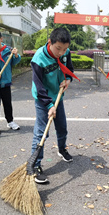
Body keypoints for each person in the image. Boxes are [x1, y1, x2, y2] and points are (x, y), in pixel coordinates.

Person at [30, 28, 80, 184]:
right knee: (41, 132)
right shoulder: (38, 59)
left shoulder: (66, 52)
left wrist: (68, 81)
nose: (61, 52)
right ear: (50, 42)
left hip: (58, 96)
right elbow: (38, 87)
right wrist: (49, 105)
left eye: (64, 49)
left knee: (62, 126)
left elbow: (70, 70)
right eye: (58, 48)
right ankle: (35, 165)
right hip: (43, 98)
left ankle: (62, 149)